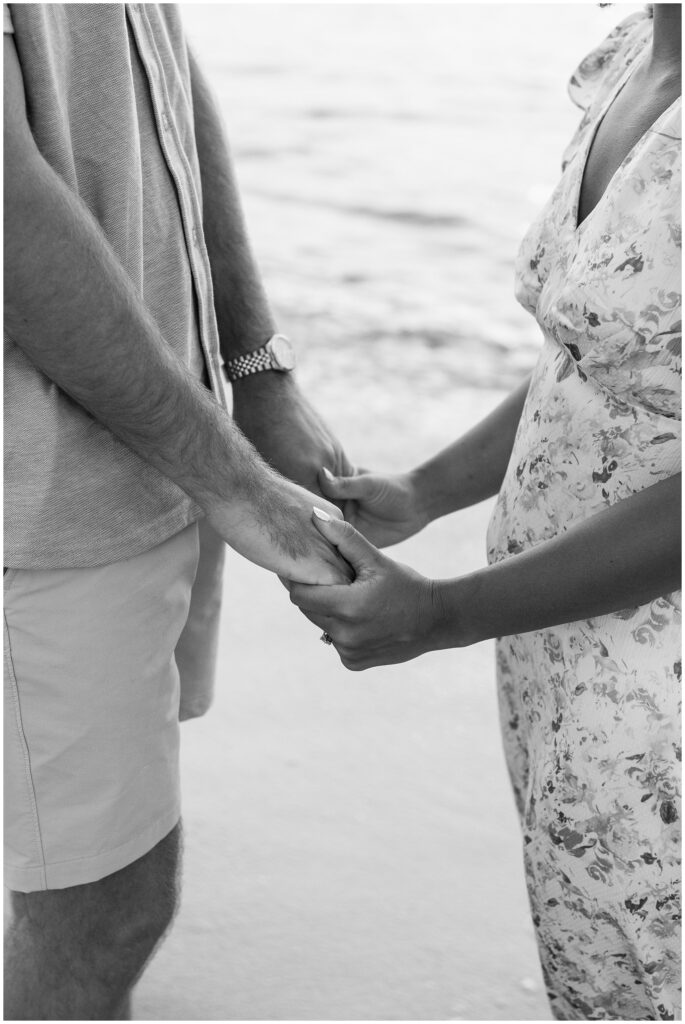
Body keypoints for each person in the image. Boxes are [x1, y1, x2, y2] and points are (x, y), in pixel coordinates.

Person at [290, 5, 681, 1019]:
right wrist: (427, 490)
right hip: (554, 636)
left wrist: (445, 612)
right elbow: (599, 360)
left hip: (659, 672)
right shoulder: (635, 55)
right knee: (599, 953)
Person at [3, 3, 353, 1019]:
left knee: (76, 861)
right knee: (102, 907)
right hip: (39, 493)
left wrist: (253, 368)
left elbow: (160, 65)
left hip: (154, 437)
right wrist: (235, 481)